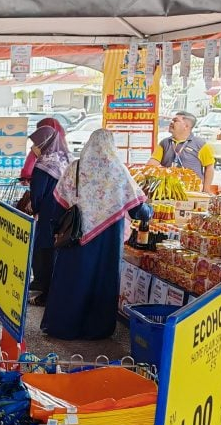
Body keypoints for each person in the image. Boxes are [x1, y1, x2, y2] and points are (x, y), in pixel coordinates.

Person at [44, 129, 150, 340]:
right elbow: (138, 208)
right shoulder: (118, 170)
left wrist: (56, 228)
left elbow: (57, 204)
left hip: (75, 238)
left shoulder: (75, 167)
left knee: (72, 282)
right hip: (107, 242)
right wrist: (149, 213)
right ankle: (97, 330)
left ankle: (64, 327)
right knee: (102, 281)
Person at [26, 125, 72, 306]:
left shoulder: (43, 165)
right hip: (65, 212)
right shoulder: (66, 159)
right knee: (56, 250)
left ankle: (45, 292)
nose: (33, 148)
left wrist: (34, 208)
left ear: (45, 143)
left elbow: (37, 194)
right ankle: (55, 289)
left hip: (48, 213)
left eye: (36, 144)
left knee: (43, 250)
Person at [149, 111, 215, 190]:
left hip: (191, 192)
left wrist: (206, 189)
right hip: (168, 191)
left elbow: (209, 167)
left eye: (175, 121)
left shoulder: (201, 145)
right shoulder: (164, 143)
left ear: (186, 126)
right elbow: (152, 164)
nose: (171, 123)